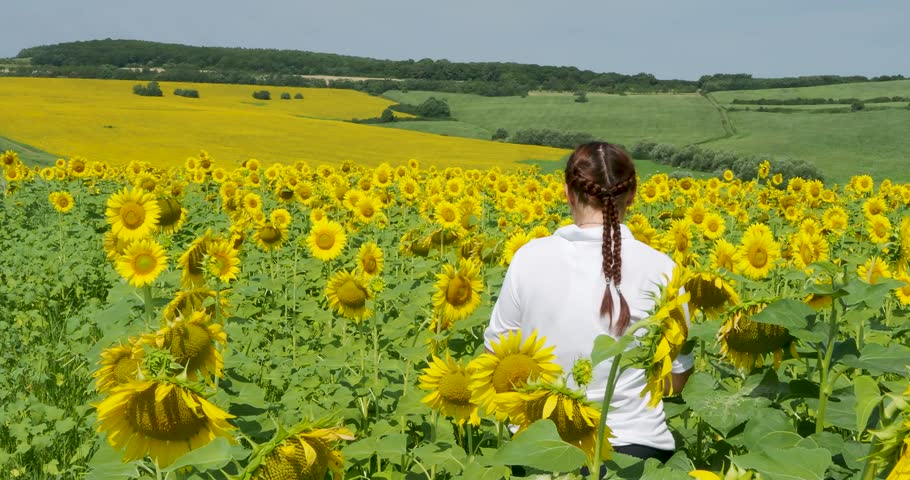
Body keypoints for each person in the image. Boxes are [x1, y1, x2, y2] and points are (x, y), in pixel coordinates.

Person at [483, 141, 693, 463]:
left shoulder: (528, 258)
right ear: (633, 194)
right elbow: (675, 381)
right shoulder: (666, 270)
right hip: (638, 455)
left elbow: (497, 358)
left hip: (545, 448)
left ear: (568, 192)